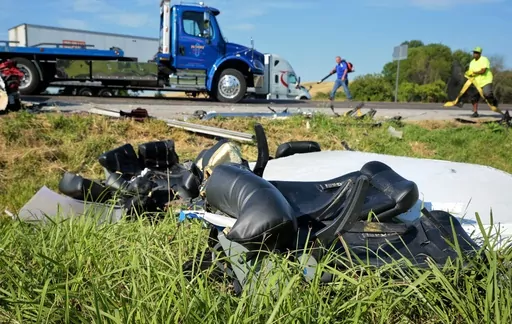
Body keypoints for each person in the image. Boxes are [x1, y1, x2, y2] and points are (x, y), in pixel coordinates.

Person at [466, 46, 498, 117]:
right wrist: (468, 74)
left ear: (480, 53)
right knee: (473, 97)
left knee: (487, 94)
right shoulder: (472, 62)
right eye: (474, 52)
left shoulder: (484, 59)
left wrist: (473, 73)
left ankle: (493, 100)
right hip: (476, 82)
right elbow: (470, 72)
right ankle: (475, 112)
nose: (474, 54)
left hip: (486, 80)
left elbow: (483, 71)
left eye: (476, 53)